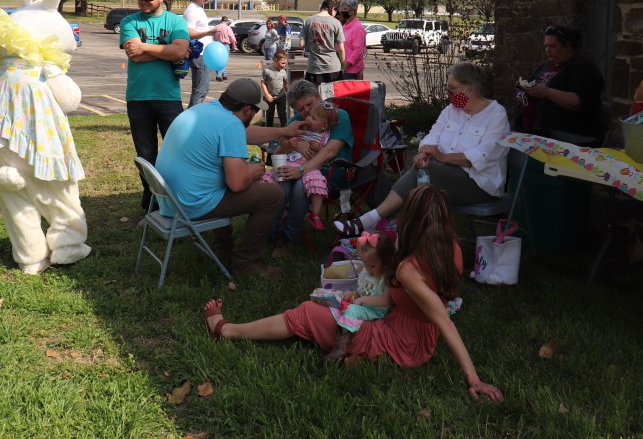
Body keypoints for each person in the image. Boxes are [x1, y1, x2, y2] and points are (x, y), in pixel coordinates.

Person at [201, 185, 506, 401]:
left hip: (399, 342)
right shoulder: (451, 247)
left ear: (412, 220)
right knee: (332, 303)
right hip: (412, 330)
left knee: (308, 312)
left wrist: (473, 379)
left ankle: (227, 331)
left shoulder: (409, 270)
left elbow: (443, 321)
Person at [155, 78, 307, 278]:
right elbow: (237, 183)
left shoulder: (205, 110)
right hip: (190, 204)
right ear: (247, 110)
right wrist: (251, 172)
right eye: (255, 111)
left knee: (219, 179)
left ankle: (224, 247)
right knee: (272, 195)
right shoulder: (231, 125)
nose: (254, 115)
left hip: (169, 199)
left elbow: (244, 133)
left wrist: (282, 132)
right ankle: (246, 262)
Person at [335, 62, 509, 235]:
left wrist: (442, 157)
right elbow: (434, 134)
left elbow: (484, 155)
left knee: (425, 173)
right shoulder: (451, 110)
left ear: (469, 89)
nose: (448, 93)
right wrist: (424, 152)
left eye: (452, 88)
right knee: (422, 177)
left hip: (479, 183)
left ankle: (373, 223)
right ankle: (396, 231)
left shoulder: (496, 114)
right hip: (444, 175)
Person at [120, 0, 190, 211]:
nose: (143, 1)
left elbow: (180, 50)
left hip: (169, 98)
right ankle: (151, 199)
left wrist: (144, 46)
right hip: (138, 98)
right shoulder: (129, 21)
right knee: (145, 154)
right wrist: (168, 51)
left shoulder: (175, 21)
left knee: (176, 151)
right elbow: (135, 56)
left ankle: (176, 196)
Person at [269, 79, 353, 256]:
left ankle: (288, 238)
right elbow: (277, 152)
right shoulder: (296, 122)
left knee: (300, 187)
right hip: (297, 170)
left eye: (310, 104)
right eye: (301, 109)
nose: (307, 111)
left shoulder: (336, 116)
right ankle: (270, 231)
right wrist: (293, 145)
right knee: (281, 180)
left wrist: (300, 171)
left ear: (318, 97)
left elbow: (330, 152)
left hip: (330, 174)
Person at [515, 24, 605, 144]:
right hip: (526, 130)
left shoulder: (584, 68)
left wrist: (547, 92)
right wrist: (524, 90)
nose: (548, 50)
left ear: (568, 46)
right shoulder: (545, 66)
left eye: (553, 46)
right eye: (546, 46)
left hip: (562, 137)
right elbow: (534, 88)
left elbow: (580, 102)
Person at [261, 100, 341, 232]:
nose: (308, 119)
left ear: (324, 126)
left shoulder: (325, 137)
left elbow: (326, 156)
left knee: (317, 183)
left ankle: (315, 214)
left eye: (313, 118)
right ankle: (270, 220)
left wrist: (319, 148)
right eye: (309, 115)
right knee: (279, 180)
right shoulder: (301, 129)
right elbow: (282, 144)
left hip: (309, 168)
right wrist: (291, 142)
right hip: (290, 162)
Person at [323, 229, 395, 363]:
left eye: (372, 266)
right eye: (365, 265)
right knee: (343, 305)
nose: (368, 269)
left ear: (386, 261)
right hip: (364, 306)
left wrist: (361, 299)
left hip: (377, 311)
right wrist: (353, 294)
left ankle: (341, 348)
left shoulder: (387, 278)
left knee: (351, 310)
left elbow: (386, 300)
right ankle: (340, 331)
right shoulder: (368, 273)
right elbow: (361, 291)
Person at [182, 0, 216, 107]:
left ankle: (193, 115)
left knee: (202, 90)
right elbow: (189, 33)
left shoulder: (198, 9)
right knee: (200, 91)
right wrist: (208, 32)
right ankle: (192, 116)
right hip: (199, 55)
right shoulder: (192, 11)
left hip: (203, 54)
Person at [302, 0, 345, 85]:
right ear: (332, 8)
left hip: (314, 66)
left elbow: (301, 44)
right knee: (332, 92)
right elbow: (341, 49)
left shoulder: (308, 20)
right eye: (336, 11)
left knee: (314, 92)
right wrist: (343, 65)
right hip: (332, 66)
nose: (335, 14)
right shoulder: (336, 23)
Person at [338, 0, 366, 80]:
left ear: (353, 10)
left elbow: (358, 50)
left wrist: (347, 63)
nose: (343, 11)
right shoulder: (344, 27)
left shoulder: (358, 28)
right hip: (343, 69)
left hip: (353, 71)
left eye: (345, 9)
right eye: (342, 9)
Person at [260, 49, 289, 128]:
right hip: (270, 98)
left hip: (281, 97)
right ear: (275, 60)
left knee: (282, 114)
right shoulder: (267, 71)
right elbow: (263, 83)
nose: (284, 65)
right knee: (270, 115)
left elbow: (286, 83)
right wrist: (267, 94)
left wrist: (289, 92)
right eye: (282, 63)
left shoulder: (283, 72)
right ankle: (269, 131)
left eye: (285, 63)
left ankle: (285, 130)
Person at [212, 16, 238, 81]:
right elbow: (232, 38)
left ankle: (224, 74)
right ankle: (219, 75)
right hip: (225, 45)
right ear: (226, 21)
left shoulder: (216, 27)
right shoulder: (227, 28)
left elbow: (212, 37)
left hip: (217, 45)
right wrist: (234, 46)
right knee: (224, 61)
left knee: (218, 60)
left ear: (221, 20)